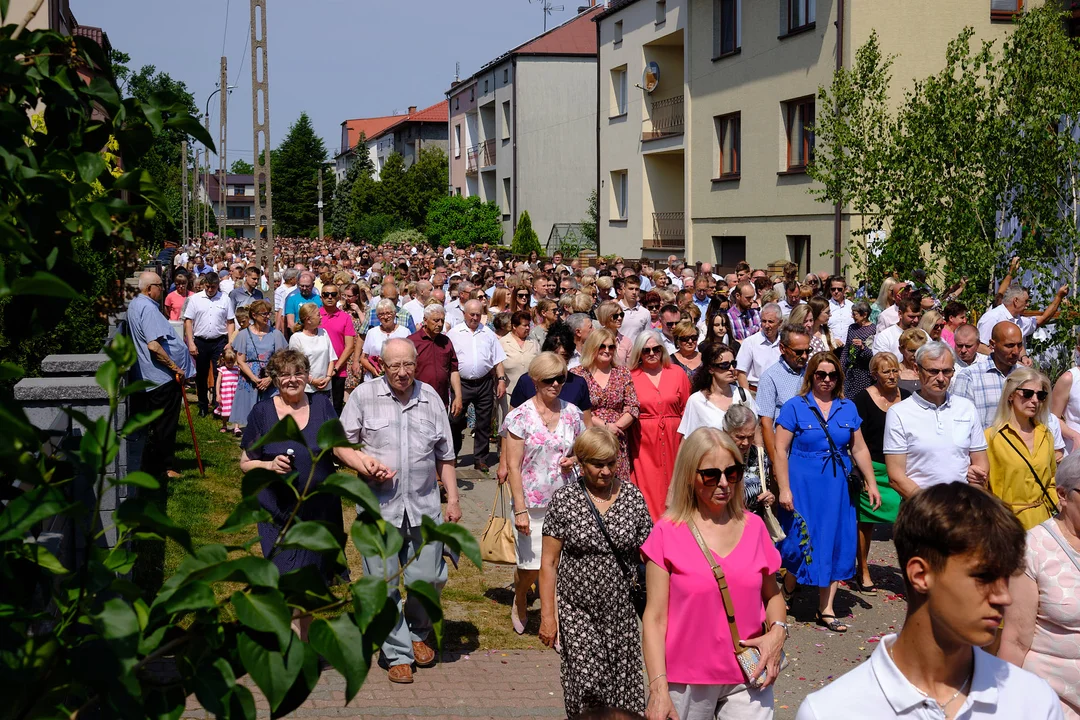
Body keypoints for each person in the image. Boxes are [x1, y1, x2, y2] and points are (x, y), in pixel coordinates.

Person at [796, 482, 1063, 720]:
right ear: (921, 575)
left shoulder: (1034, 702)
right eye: (983, 577)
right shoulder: (831, 712)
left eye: (1006, 578)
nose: (1004, 596)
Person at [239, 349, 386, 641]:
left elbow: (339, 447)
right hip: (278, 512)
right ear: (275, 378)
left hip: (319, 511)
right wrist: (268, 464)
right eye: (285, 375)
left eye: (298, 373)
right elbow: (245, 462)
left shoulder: (322, 404)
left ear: (307, 376)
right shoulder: (262, 413)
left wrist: (364, 464)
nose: (292, 380)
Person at [642, 428, 789, 720]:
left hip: (749, 675)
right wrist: (658, 688)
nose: (723, 483)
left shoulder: (755, 528)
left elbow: (773, 595)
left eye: (732, 473)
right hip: (686, 681)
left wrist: (777, 632)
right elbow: (655, 618)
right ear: (689, 476)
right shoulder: (666, 533)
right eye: (711, 475)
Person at [339, 338, 460, 684]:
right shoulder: (364, 396)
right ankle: (396, 651)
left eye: (409, 365)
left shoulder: (431, 398)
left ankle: (419, 631)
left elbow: (446, 455)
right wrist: (363, 464)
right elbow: (339, 444)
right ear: (382, 364)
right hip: (379, 509)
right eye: (395, 366)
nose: (403, 373)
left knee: (429, 579)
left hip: (424, 507)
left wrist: (452, 499)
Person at [539, 428, 653, 718]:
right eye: (597, 464)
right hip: (577, 610)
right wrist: (548, 617)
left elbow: (651, 556)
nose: (606, 471)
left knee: (624, 692)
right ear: (581, 462)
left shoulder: (632, 498)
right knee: (589, 687)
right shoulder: (565, 501)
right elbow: (549, 563)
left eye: (611, 463)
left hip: (621, 611)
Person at [773, 352, 880, 632]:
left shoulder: (847, 408)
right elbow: (780, 450)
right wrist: (783, 488)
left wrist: (871, 482)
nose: (827, 380)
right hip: (802, 483)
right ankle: (789, 583)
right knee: (799, 541)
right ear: (811, 376)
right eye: (821, 374)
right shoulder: (795, 407)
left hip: (837, 486)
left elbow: (859, 448)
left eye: (832, 375)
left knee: (835, 540)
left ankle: (826, 608)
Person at [504, 352, 587, 634]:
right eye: (549, 379)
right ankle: (520, 598)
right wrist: (519, 509)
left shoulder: (573, 413)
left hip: (566, 502)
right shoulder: (519, 417)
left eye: (560, 379)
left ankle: (555, 620)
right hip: (532, 503)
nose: (555, 384)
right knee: (529, 566)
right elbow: (513, 467)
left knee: (560, 565)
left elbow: (583, 450)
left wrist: (574, 460)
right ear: (535, 381)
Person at [999, 453, 1080, 718]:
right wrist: (1003, 703)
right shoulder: (1033, 547)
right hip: (1054, 694)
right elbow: (1016, 640)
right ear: (1063, 495)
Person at [884, 341, 989, 498]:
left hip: (962, 510)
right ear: (916, 370)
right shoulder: (899, 413)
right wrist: (931, 509)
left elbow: (981, 463)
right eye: (933, 371)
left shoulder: (966, 408)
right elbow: (896, 476)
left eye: (947, 371)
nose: (941, 378)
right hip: (921, 512)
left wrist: (973, 487)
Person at [128, 271, 195, 481]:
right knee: (165, 425)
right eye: (159, 285)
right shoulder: (147, 308)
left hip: (152, 376)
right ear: (150, 288)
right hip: (160, 378)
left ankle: (157, 464)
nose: (162, 289)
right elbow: (154, 345)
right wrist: (175, 367)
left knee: (158, 424)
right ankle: (165, 467)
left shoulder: (137, 304)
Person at [851, 353, 908, 594]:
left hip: (901, 468)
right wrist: (863, 472)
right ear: (875, 374)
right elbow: (856, 438)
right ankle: (862, 570)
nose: (892, 376)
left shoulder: (908, 397)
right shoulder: (862, 400)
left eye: (895, 370)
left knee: (905, 524)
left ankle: (909, 572)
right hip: (872, 468)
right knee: (866, 522)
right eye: (886, 371)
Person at [628, 330, 692, 520]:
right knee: (649, 488)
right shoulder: (631, 376)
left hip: (675, 439)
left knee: (676, 485)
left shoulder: (677, 372)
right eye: (646, 350)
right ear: (639, 352)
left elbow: (687, 410)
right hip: (644, 443)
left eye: (656, 349)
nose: (651, 353)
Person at [985, 367, 1058, 530]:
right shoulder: (992, 437)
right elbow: (984, 488)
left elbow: (1050, 481)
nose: (1035, 400)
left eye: (1041, 395)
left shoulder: (1046, 435)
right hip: (1007, 523)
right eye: (1028, 393)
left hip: (1043, 523)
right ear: (1010, 395)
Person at [447, 299, 508, 473]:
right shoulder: (454, 333)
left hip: (484, 383)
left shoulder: (488, 333)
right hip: (461, 384)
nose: (474, 318)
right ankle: (452, 454)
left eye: (478, 314)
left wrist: (501, 380)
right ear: (464, 314)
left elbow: (497, 360)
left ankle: (481, 459)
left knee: (484, 422)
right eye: (471, 314)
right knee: (455, 420)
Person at [573, 329, 639, 481]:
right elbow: (576, 408)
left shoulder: (622, 373)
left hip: (618, 438)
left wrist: (617, 427)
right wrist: (605, 426)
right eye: (602, 346)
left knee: (617, 483)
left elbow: (632, 406)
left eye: (611, 347)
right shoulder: (577, 374)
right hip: (590, 435)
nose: (607, 351)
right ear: (593, 347)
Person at [757, 326, 811, 470]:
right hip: (786, 457)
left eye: (808, 351)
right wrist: (776, 463)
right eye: (799, 352)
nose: (805, 356)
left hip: (811, 455)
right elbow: (766, 423)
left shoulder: (813, 372)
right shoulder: (770, 377)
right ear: (782, 348)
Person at [678, 342, 758, 438]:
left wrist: (759, 449)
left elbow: (755, 429)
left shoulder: (743, 395)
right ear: (711, 368)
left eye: (733, 364)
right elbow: (688, 438)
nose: (731, 368)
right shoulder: (696, 401)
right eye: (725, 365)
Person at [229, 299, 287, 429]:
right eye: (264, 314)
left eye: (268, 313)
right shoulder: (243, 335)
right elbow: (240, 361)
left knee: (270, 416)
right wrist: (254, 379)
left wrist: (270, 378)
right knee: (251, 419)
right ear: (254, 315)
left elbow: (281, 360)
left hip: (270, 379)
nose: (267, 317)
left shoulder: (276, 334)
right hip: (249, 380)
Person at [182, 269, 229, 417]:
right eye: (207, 286)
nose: (209, 290)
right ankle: (202, 405)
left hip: (219, 340)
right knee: (201, 375)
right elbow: (188, 321)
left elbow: (230, 321)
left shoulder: (225, 299)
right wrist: (191, 342)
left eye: (212, 287)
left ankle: (217, 405)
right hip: (201, 341)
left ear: (217, 286)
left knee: (218, 373)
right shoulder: (195, 299)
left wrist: (230, 342)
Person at [723, 404, 777, 525]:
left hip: (753, 524)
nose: (746, 442)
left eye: (750, 436)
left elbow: (766, 488)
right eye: (740, 437)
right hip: (724, 524)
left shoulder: (758, 455)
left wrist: (769, 498)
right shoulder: (715, 457)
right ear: (726, 432)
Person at [976, 284, 1068, 354]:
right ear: (1016, 301)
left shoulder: (1020, 321)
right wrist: (1003, 359)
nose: (1028, 305)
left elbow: (1043, 318)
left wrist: (1059, 297)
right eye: (1026, 301)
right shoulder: (992, 318)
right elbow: (980, 347)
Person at [409, 303, 462, 417]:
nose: (440, 324)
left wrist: (458, 396)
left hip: (441, 400)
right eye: (436, 320)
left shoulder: (446, 342)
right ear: (425, 320)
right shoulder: (412, 342)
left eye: (442, 321)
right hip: (417, 399)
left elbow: (454, 370)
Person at [315, 284, 356, 414]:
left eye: (333, 294)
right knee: (316, 406)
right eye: (326, 294)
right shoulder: (315, 316)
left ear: (338, 297)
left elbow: (350, 346)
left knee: (336, 408)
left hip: (338, 370)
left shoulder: (345, 317)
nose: (330, 297)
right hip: (317, 368)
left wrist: (336, 367)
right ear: (321, 297)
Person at [288, 304, 336, 397]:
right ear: (308, 319)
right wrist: (312, 381)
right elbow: (296, 364)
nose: (321, 317)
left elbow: (331, 358)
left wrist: (328, 377)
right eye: (318, 315)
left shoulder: (324, 333)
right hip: (306, 389)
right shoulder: (296, 338)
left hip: (325, 387)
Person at [735, 304, 782, 393]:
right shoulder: (750, 342)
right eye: (764, 321)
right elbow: (741, 373)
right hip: (756, 392)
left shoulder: (785, 343)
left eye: (771, 322)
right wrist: (748, 398)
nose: (767, 325)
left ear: (780, 323)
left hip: (780, 393)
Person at [361, 298, 411, 381]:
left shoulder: (405, 332)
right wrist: (374, 370)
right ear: (377, 317)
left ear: (395, 314)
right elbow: (363, 358)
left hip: (399, 377)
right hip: (375, 378)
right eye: (381, 314)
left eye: (388, 313)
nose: (385, 317)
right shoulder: (372, 333)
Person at [839, 300, 874, 398]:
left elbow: (873, 353)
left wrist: (863, 347)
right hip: (851, 372)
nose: (852, 317)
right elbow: (846, 349)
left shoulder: (873, 329)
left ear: (864, 315)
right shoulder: (852, 328)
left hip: (865, 372)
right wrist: (841, 367)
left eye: (855, 314)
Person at [1051, 333, 1080, 453]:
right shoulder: (1069, 379)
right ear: (1079, 349)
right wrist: (1074, 435)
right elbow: (1053, 417)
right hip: (1075, 451)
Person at [872, 296, 921, 363]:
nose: (916, 320)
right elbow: (882, 363)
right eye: (911, 317)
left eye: (918, 316)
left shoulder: (924, 335)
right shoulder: (885, 337)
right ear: (900, 314)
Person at [596, 301, 634, 367]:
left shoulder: (626, 341)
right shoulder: (596, 339)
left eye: (621, 315)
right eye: (615, 316)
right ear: (606, 317)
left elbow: (630, 367)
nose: (620, 318)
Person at [214, 348, 242, 435]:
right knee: (225, 411)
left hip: (235, 393)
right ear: (224, 360)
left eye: (232, 362)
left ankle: (236, 427)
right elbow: (218, 383)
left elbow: (239, 380)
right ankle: (224, 424)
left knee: (237, 410)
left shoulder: (237, 369)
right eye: (228, 362)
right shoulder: (222, 370)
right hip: (225, 394)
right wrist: (218, 394)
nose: (230, 364)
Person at [618, 274, 651, 343]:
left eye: (637, 289)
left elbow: (646, 337)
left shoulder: (645, 312)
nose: (634, 292)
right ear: (624, 289)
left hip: (637, 352)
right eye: (631, 289)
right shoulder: (614, 309)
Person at [897, 328, 929, 394]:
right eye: (911, 351)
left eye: (919, 351)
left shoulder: (929, 370)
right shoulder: (895, 371)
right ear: (901, 349)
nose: (915, 355)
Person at [827, 276, 854, 341]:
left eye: (839, 289)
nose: (836, 291)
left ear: (844, 290)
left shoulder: (851, 306)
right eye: (833, 289)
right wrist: (833, 340)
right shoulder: (826, 306)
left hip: (849, 346)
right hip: (831, 347)